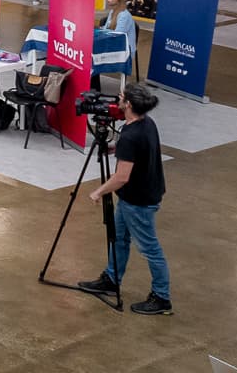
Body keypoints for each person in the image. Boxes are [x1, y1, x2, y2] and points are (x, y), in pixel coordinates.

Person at [77, 82, 170, 314]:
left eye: (120, 98)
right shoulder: (146, 123)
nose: (116, 101)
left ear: (128, 104)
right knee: (118, 238)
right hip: (139, 195)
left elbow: (121, 177)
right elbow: (138, 153)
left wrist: (99, 191)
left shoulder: (130, 135)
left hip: (138, 201)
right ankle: (111, 278)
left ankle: (161, 297)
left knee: (149, 248)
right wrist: (116, 150)